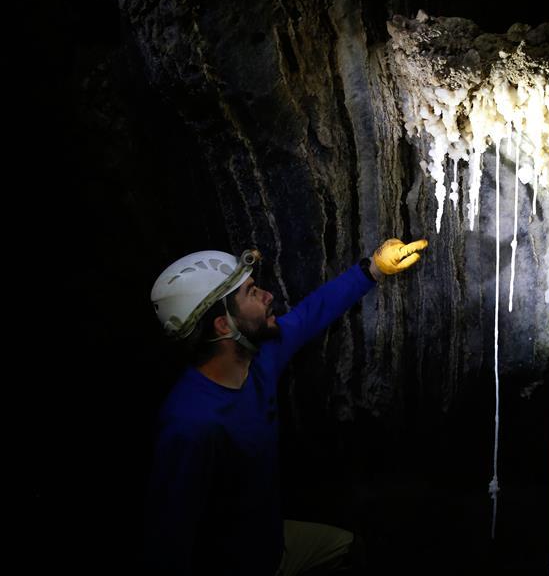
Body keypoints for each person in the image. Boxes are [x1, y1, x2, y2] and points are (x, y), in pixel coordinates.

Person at [144, 238, 428, 576]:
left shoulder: (259, 357)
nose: (267, 295)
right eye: (251, 293)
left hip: (270, 543)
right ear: (223, 325)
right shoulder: (190, 426)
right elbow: (167, 539)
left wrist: (375, 269)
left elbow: (310, 314)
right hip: (235, 565)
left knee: (353, 550)